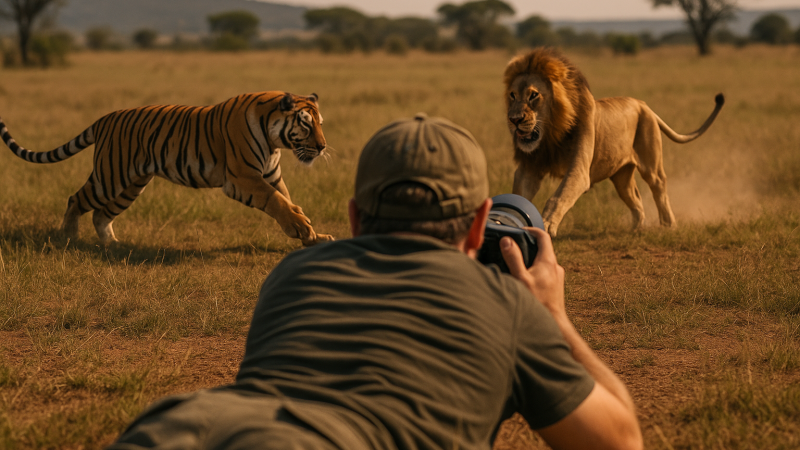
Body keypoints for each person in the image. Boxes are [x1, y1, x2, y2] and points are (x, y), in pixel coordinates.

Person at [108, 114, 642, 450]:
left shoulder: (294, 274)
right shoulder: (504, 304)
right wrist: (552, 316)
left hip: (178, 428)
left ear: (355, 220)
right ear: (479, 223)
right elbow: (621, 439)